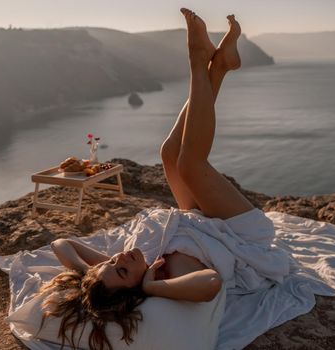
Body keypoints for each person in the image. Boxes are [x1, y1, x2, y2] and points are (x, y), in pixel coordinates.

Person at [37, 8, 260, 350]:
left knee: (169, 154)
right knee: (189, 162)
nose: (120, 258)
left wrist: (88, 272)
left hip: (200, 222)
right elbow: (211, 284)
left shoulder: (124, 268)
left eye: (112, 262)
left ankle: (219, 67)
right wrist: (154, 287)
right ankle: (199, 63)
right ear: (135, 289)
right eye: (122, 270)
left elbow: (61, 244)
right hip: (241, 230)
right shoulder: (171, 274)